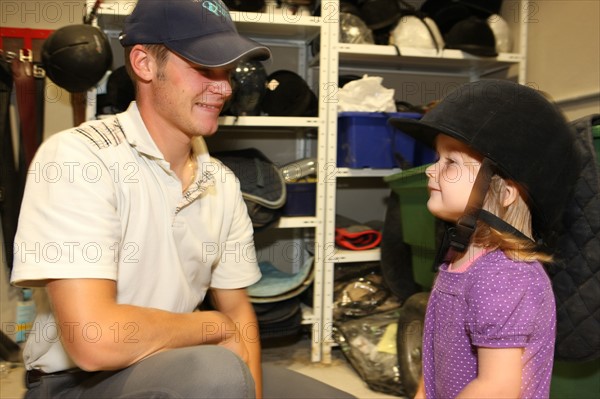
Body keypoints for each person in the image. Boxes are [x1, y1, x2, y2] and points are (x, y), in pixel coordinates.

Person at [10, 1, 355, 398]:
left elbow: (238, 312)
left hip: (179, 360)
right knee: (217, 371)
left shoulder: (222, 184)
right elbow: (95, 340)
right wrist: (214, 328)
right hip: (75, 384)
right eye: (204, 67)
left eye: (226, 71)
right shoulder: (79, 158)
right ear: (143, 63)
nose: (224, 87)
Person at [389, 79, 580, 399]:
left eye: (451, 162)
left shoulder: (503, 275)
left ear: (504, 192)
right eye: (438, 158)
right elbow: (437, 356)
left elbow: (497, 388)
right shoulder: (460, 256)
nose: (430, 171)